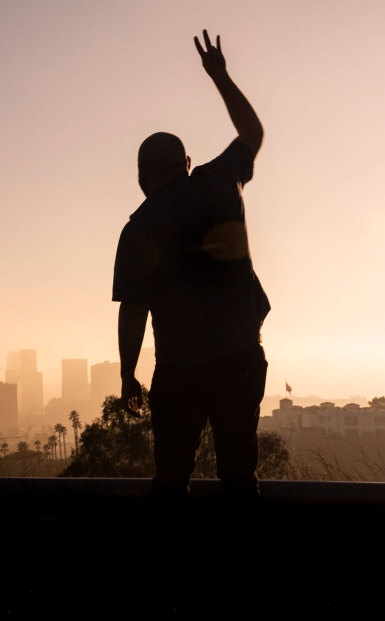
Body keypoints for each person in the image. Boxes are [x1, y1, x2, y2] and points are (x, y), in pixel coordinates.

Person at [112, 30, 270, 499]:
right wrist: (220, 76)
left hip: (179, 370)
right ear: (186, 161)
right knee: (240, 478)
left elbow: (133, 310)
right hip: (240, 357)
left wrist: (127, 376)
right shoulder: (220, 180)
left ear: (141, 178)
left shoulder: (138, 228)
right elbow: (252, 134)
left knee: (171, 480)